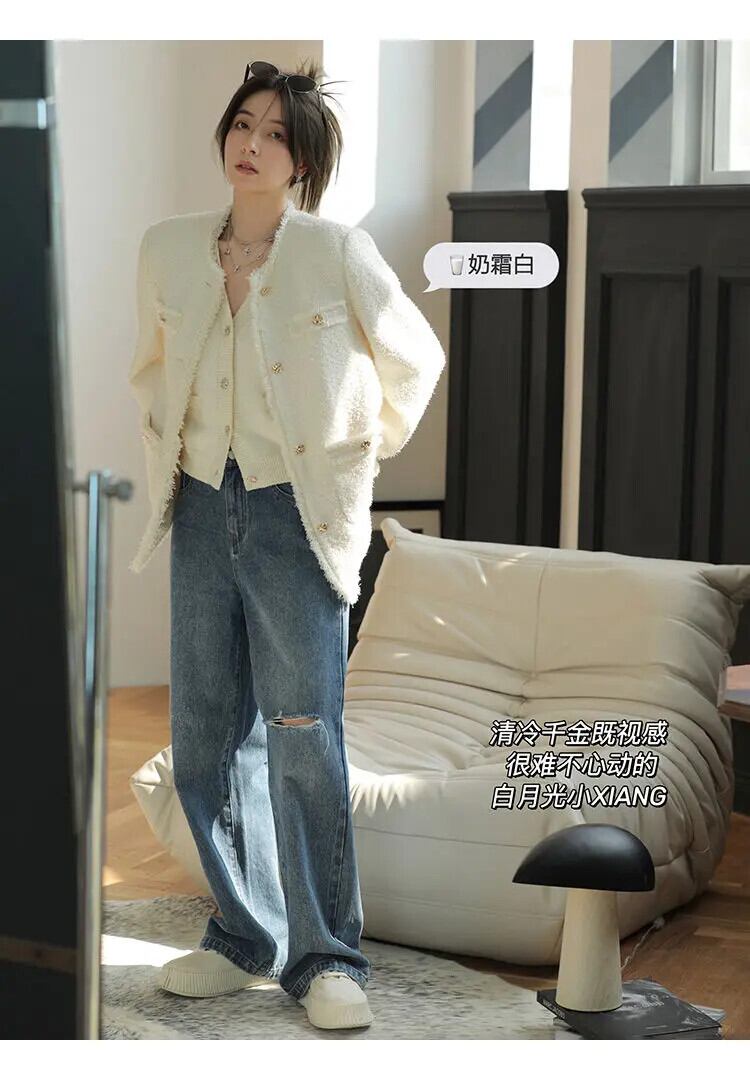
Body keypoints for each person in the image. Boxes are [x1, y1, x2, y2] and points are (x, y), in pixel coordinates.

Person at [128, 59, 446, 1031]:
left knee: (303, 735)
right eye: (243, 123)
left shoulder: (335, 250)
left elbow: (415, 360)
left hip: (295, 517)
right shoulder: (168, 247)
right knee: (204, 738)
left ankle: (325, 957)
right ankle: (242, 936)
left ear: (301, 162)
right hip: (197, 508)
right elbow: (151, 367)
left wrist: (348, 458)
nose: (252, 142)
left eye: (275, 133)